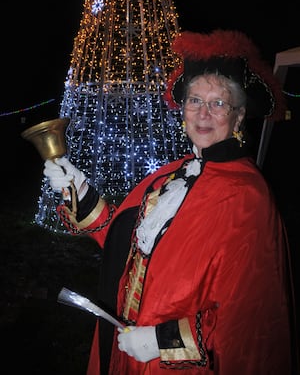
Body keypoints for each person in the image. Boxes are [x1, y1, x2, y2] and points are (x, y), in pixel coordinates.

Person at [44, 29, 296, 375]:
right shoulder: (171, 175)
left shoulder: (248, 198)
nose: (203, 113)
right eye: (195, 100)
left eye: (218, 103)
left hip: (176, 365)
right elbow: (125, 244)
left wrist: (161, 341)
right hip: (126, 349)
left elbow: (250, 320)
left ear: (238, 117)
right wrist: (78, 188)